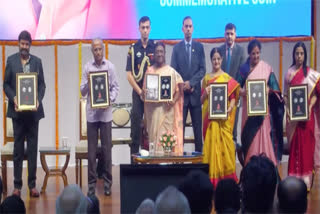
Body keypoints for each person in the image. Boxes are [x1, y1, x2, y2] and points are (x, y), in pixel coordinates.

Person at [3, 30, 46, 197]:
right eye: (22, 43)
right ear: (18, 43)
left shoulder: (37, 62)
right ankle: (17, 186)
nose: (24, 47)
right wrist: (14, 98)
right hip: (18, 113)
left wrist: (38, 100)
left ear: (30, 45)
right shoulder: (11, 61)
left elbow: (42, 86)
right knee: (18, 149)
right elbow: (6, 85)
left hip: (33, 113)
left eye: (27, 44)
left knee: (33, 149)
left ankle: (32, 185)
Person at [80, 38, 119, 196]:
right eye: (95, 50)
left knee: (106, 150)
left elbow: (116, 87)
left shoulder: (110, 67)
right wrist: (89, 83)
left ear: (103, 49)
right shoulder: (87, 67)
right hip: (92, 115)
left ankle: (108, 183)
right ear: (92, 51)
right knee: (91, 152)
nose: (97, 52)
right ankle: (91, 184)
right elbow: (82, 91)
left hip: (106, 114)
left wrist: (109, 99)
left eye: (100, 49)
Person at [236, 39, 284, 166]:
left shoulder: (266, 68)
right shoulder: (244, 69)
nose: (256, 56)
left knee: (264, 139)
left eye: (258, 53)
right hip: (249, 115)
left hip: (263, 114)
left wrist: (268, 90)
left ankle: (267, 170)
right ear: (249, 54)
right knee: (250, 142)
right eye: (253, 53)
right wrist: (243, 92)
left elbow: (276, 90)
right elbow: (235, 87)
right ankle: (250, 171)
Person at [283, 41, 320, 190]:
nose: (299, 56)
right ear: (294, 55)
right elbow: (286, 95)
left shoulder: (311, 74)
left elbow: (316, 94)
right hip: (293, 118)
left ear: (305, 55)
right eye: (297, 53)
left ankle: (306, 180)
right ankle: (294, 179)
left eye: (302, 54)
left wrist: (310, 106)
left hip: (307, 118)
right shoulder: (289, 73)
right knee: (295, 147)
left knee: (307, 147)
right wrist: (289, 109)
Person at [201, 48, 239, 187]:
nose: (216, 61)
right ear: (211, 60)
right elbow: (201, 100)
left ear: (221, 60)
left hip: (224, 122)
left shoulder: (228, 79)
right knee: (211, 150)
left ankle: (227, 181)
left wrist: (229, 109)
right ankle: (213, 181)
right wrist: (205, 92)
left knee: (227, 149)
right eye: (214, 59)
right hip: (210, 121)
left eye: (218, 59)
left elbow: (233, 98)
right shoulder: (206, 78)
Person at [171, 16, 206, 152]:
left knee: (198, 132)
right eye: (186, 26)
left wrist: (191, 83)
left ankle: (199, 163)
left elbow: (203, 69)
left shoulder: (199, 47)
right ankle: (179, 162)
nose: (188, 29)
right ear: (182, 29)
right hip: (182, 97)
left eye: (190, 26)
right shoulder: (177, 48)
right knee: (180, 133)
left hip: (196, 96)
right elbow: (173, 71)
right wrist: (183, 85)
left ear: (193, 28)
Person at [144, 42, 184, 155]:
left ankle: (167, 170)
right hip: (153, 113)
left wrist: (173, 100)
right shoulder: (149, 71)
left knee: (166, 143)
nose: (159, 54)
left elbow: (179, 87)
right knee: (154, 144)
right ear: (154, 54)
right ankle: (155, 170)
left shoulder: (171, 71)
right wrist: (144, 93)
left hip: (167, 113)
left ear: (165, 53)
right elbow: (144, 95)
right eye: (157, 52)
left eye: (161, 51)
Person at [126, 16, 156, 157]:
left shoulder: (155, 48)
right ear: (139, 29)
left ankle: (154, 162)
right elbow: (129, 74)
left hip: (153, 95)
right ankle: (134, 164)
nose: (145, 30)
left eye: (147, 27)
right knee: (136, 129)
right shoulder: (133, 49)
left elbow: (160, 70)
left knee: (153, 127)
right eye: (142, 27)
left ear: (150, 29)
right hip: (138, 95)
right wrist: (140, 92)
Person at [219, 23, 246, 164]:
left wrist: (233, 91)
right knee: (221, 130)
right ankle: (222, 162)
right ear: (224, 34)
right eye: (227, 33)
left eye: (232, 33)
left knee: (233, 132)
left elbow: (242, 75)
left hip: (234, 97)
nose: (229, 36)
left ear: (235, 35)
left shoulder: (241, 52)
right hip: (220, 99)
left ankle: (231, 164)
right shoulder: (218, 51)